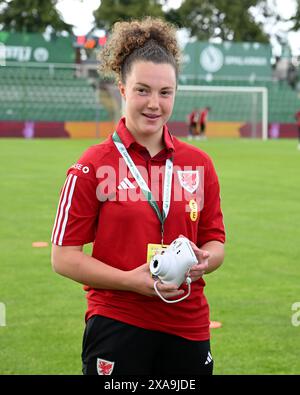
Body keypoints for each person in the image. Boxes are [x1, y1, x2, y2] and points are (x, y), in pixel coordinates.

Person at [51, 17, 225, 376]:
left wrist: (204, 261)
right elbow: (63, 258)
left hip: (188, 323)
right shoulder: (92, 165)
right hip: (118, 321)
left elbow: (215, 240)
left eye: (165, 93)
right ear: (122, 88)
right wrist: (132, 281)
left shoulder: (199, 164)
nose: (154, 104)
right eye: (142, 90)